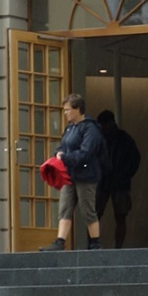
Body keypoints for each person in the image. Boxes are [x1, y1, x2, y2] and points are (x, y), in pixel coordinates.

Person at [50, 94, 106, 251]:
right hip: (70, 174)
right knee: (65, 207)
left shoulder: (91, 128)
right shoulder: (69, 128)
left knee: (88, 208)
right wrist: (59, 153)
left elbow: (86, 152)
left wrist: (66, 158)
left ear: (77, 109)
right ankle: (60, 241)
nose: (65, 113)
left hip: (86, 175)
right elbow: (63, 145)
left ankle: (95, 242)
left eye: (68, 110)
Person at [95, 110, 142, 250]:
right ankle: (111, 246)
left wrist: (125, 174)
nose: (104, 128)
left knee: (113, 216)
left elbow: (135, 159)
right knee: (104, 215)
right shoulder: (122, 138)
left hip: (112, 181)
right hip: (108, 181)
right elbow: (136, 159)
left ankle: (104, 245)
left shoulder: (120, 139)